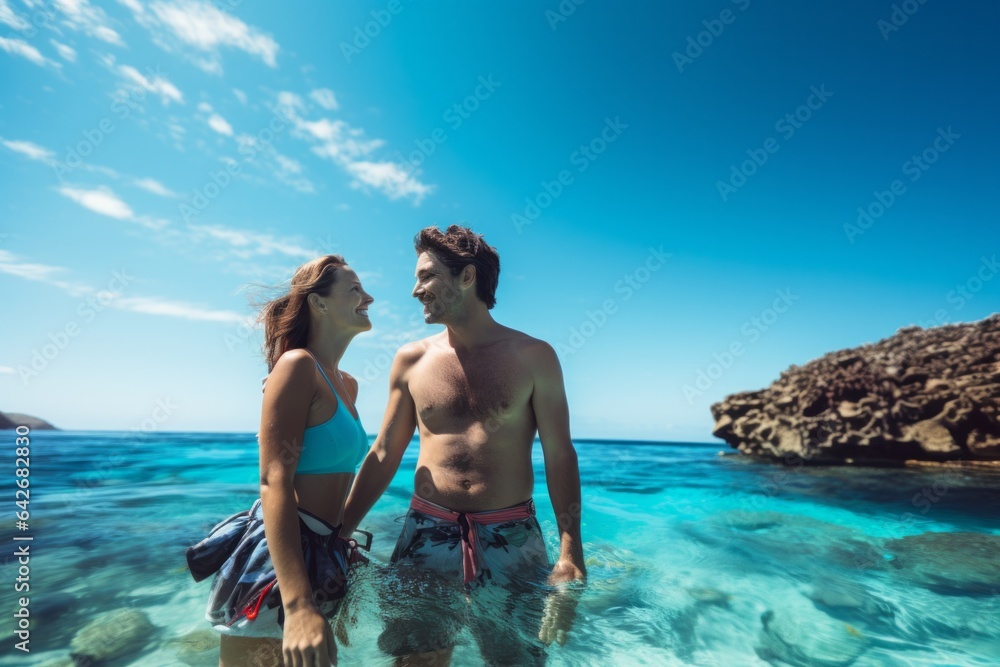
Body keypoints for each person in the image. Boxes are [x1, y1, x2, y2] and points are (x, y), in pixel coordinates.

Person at [342, 225, 587, 666]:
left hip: (511, 536)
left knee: (515, 657)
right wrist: (339, 535)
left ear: (467, 277)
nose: (416, 291)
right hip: (426, 533)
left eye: (427, 276)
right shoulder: (411, 359)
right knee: (417, 658)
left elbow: (559, 453)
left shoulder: (534, 356)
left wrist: (571, 552)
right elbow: (383, 453)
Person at [186, 255, 375, 667]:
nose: (369, 298)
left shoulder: (348, 385)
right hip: (281, 560)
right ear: (319, 303)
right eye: (355, 290)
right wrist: (299, 604)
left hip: (326, 551)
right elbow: (274, 480)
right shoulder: (296, 367)